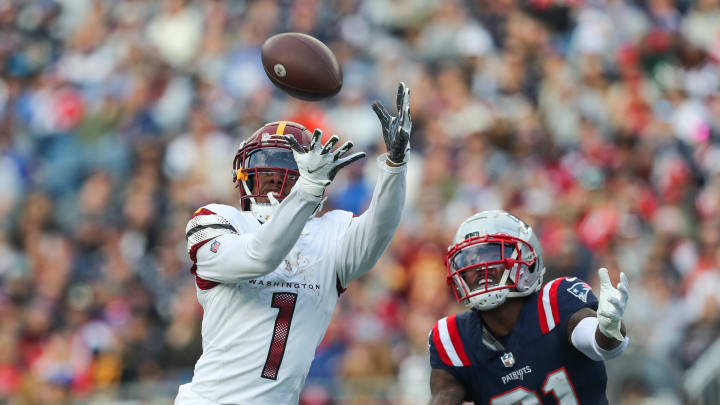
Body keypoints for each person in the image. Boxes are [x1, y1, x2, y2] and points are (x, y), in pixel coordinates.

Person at [174, 83, 412, 405]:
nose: (272, 178)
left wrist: (395, 166)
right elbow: (259, 256)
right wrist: (307, 188)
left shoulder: (331, 232)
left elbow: (379, 232)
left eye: (284, 168)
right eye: (264, 168)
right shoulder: (218, 221)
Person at [428, 210, 630, 404]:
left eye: (490, 254)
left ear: (527, 260)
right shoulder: (454, 337)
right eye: (469, 259)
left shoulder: (554, 301)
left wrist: (608, 327)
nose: (479, 267)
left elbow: (599, 344)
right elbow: (444, 396)